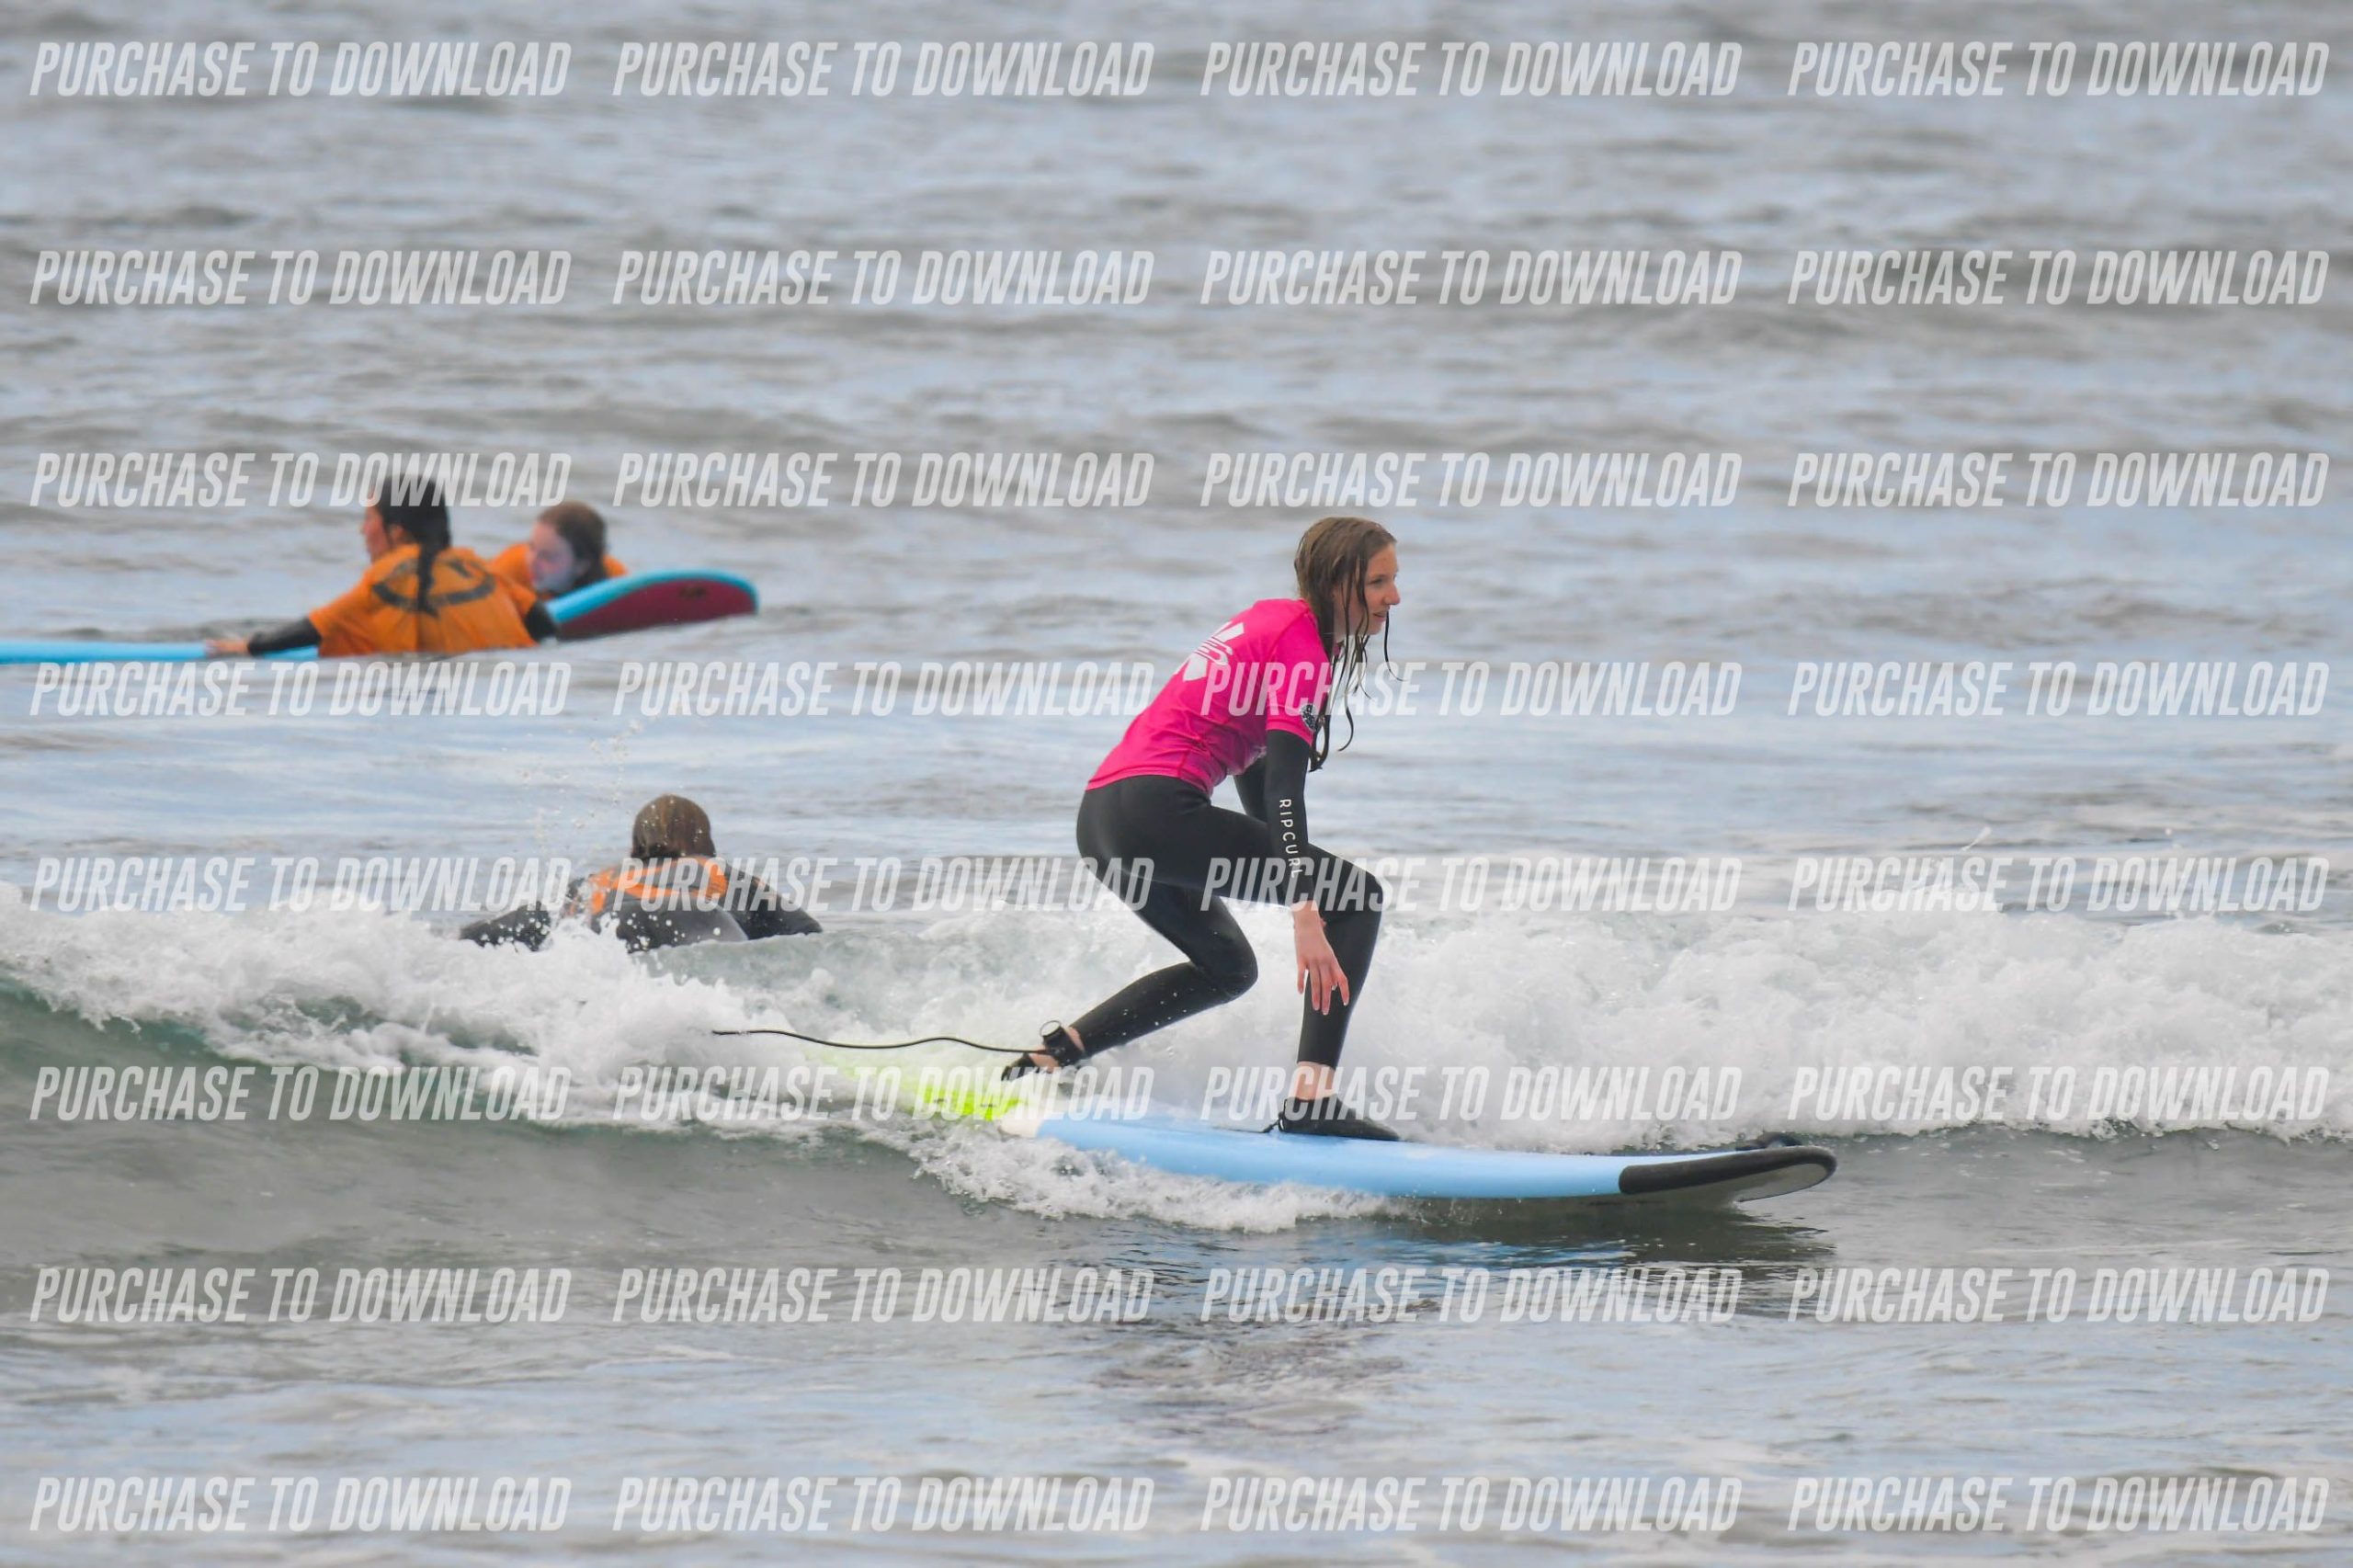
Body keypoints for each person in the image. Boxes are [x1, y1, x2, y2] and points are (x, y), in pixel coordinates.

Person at [1009, 516, 1404, 1139]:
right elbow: (1284, 789)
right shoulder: (1303, 649)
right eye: (1379, 582)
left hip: (1103, 820)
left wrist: (1291, 875)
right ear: (1337, 584)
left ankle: (1047, 1059)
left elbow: (1257, 774)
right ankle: (1312, 1099)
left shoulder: (1267, 621)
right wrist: (1306, 906)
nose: (1394, 598)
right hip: (1159, 812)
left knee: (1226, 967)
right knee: (1357, 897)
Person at [206, 477, 550, 657]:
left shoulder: (391, 575)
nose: (362, 529)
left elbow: (316, 627)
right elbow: (542, 622)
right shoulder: (476, 566)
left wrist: (250, 647)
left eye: (369, 518)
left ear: (396, 532)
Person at [461, 794, 820, 952]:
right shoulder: (725, 874)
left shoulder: (590, 885)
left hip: (609, 929)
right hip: (698, 919)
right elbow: (810, 938)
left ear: (636, 844)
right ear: (706, 842)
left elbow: (492, 932)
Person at [489, 501, 628, 603]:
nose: (532, 561)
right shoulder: (507, 574)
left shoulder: (613, 582)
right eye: (531, 547)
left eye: (547, 557)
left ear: (581, 566)